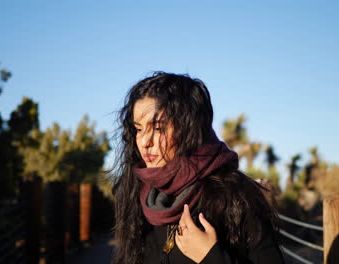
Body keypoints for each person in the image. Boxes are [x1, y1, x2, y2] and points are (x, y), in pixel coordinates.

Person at [111, 72, 285, 264]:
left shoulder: (235, 196)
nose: (144, 141)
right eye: (139, 128)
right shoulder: (137, 193)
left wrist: (211, 257)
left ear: (189, 129)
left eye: (159, 128)